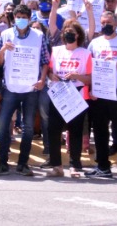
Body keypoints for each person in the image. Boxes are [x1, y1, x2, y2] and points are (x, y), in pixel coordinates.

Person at [0, 3, 48, 176]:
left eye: (24, 17)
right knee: (3, 125)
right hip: (10, 87)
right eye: (18, 17)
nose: (21, 20)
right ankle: (2, 162)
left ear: (29, 18)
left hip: (31, 89)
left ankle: (23, 163)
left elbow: (45, 60)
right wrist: (3, 50)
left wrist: (42, 79)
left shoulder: (39, 36)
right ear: (14, 18)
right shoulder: (6, 34)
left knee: (29, 128)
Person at [86, 8, 117, 180]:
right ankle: (103, 166)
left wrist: (115, 64)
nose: (106, 26)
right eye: (103, 23)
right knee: (99, 131)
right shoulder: (94, 43)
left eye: (109, 23)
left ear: (115, 24)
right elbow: (89, 69)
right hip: (99, 94)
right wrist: (91, 89)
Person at [46, 20, 92, 178]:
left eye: (71, 31)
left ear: (78, 34)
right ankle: (56, 166)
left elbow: (89, 79)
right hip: (58, 95)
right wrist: (52, 76)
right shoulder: (56, 50)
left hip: (76, 96)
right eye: (65, 30)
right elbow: (50, 71)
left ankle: (75, 165)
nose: (68, 33)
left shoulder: (85, 53)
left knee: (75, 132)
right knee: (53, 130)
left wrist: (76, 76)